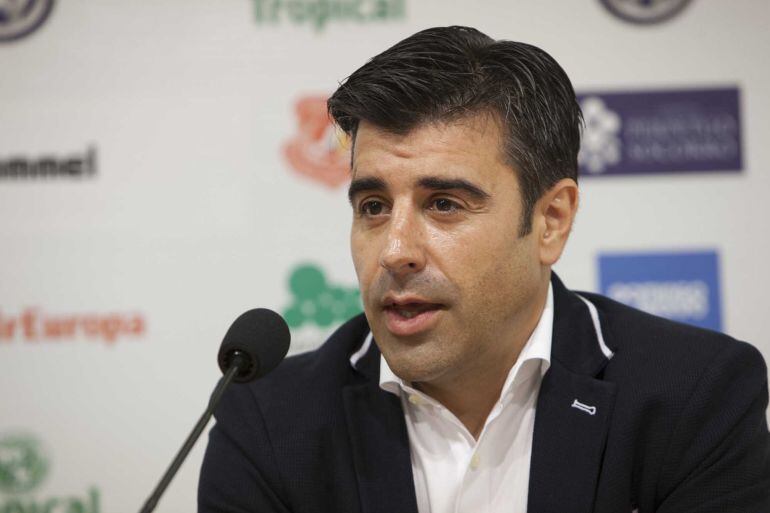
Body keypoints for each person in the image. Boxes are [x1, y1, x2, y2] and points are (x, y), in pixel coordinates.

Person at [198, 26, 770, 513]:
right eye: (373, 207)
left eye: (444, 204)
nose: (395, 251)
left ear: (551, 221)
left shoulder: (692, 396)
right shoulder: (270, 424)